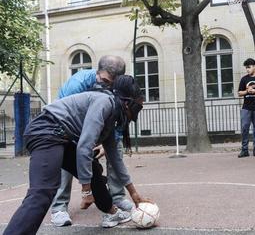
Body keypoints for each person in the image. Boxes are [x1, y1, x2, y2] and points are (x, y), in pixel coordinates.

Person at [3, 75, 149, 235]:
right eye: (138, 107)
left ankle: (111, 211)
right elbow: (84, 147)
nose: (137, 113)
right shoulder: (105, 103)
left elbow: (115, 159)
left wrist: (133, 192)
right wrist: (86, 190)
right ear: (127, 103)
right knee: (43, 192)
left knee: (93, 170)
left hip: (60, 136)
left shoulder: (112, 117)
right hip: (45, 131)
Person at [50, 55, 134, 227]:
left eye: (111, 83)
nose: (106, 85)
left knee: (115, 150)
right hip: (70, 129)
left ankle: (117, 197)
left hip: (98, 129)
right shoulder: (77, 83)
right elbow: (64, 118)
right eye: (104, 80)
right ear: (97, 71)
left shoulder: (116, 89)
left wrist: (105, 142)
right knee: (68, 156)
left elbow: (115, 120)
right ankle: (59, 207)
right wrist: (86, 142)